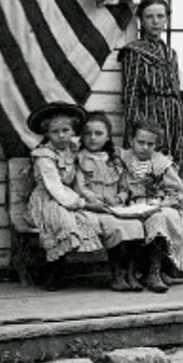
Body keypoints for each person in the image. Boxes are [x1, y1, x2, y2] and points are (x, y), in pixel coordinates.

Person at [24, 102, 107, 290]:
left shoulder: (71, 150)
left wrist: (89, 198)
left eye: (65, 130)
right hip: (46, 199)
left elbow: (76, 182)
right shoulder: (44, 155)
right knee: (64, 221)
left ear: (72, 131)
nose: (61, 135)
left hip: (67, 197)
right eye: (55, 132)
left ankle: (56, 269)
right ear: (47, 133)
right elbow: (55, 188)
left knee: (89, 220)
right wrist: (81, 203)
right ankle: (52, 273)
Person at [119, 0, 183, 196]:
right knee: (148, 168)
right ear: (141, 19)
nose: (156, 21)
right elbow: (130, 93)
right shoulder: (135, 52)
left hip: (173, 119)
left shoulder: (171, 54)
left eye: (160, 16)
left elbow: (176, 92)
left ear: (167, 19)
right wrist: (136, 130)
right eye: (150, 17)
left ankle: (175, 213)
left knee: (172, 169)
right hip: (150, 117)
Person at [75, 112, 148, 292]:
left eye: (98, 133)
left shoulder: (115, 159)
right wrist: (95, 200)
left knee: (137, 225)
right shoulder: (78, 158)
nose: (92, 138)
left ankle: (130, 273)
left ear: (108, 136)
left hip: (116, 206)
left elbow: (124, 185)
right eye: (87, 133)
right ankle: (116, 274)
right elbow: (79, 187)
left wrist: (120, 197)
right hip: (94, 208)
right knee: (115, 227)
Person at [121, 119, 183, 293]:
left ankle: (155, 270)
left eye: (150, 144)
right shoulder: (123, 159)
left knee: (159, 218)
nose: (145, 147)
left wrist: (161, 202)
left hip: (159, 204)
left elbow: (179, 194)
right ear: (131, 140)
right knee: (130, 221)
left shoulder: (162, 164)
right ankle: (131, 271)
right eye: (141, 142)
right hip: (131, 203)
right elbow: (118, 185)